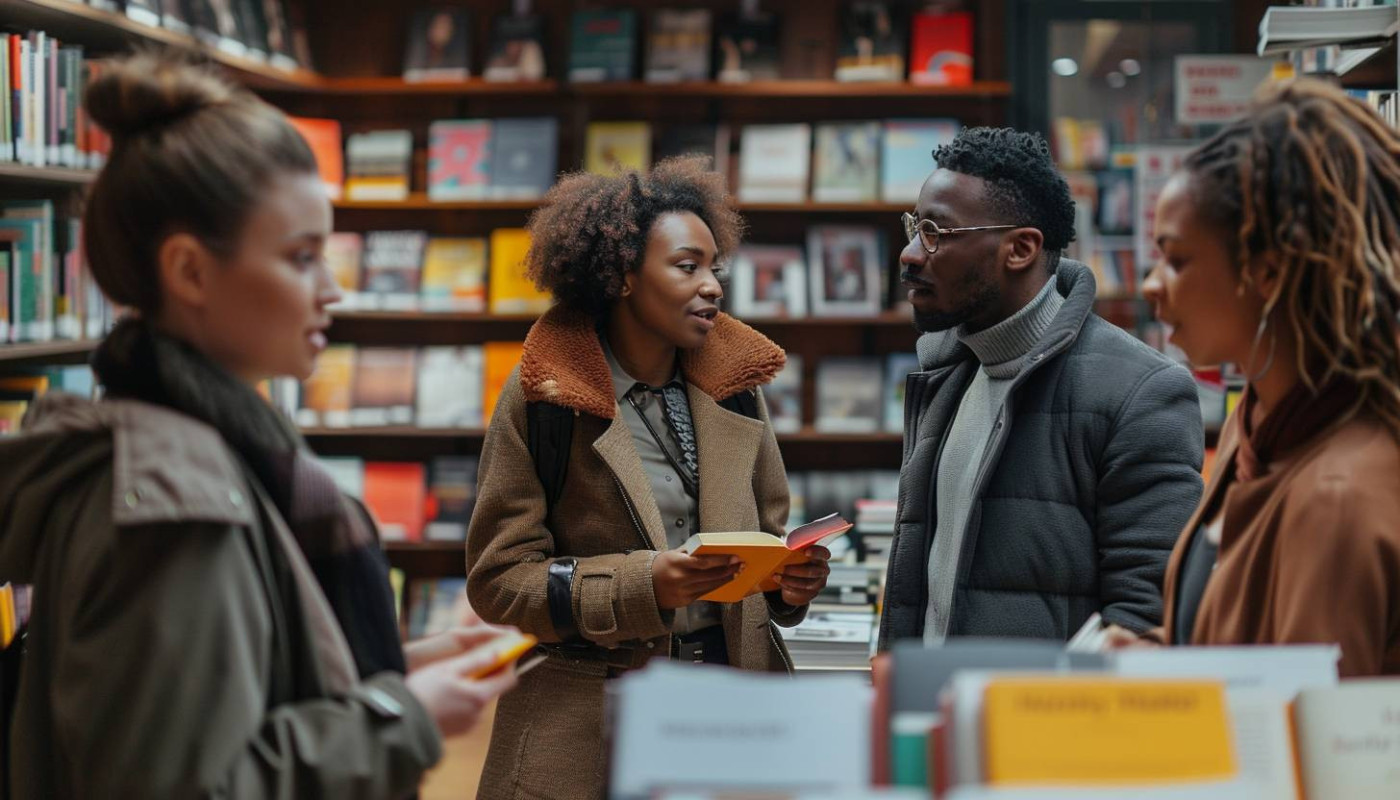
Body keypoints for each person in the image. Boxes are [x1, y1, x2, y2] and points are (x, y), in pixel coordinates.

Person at [0, 54, 516, 798]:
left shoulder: (209, 443)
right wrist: (402, 715)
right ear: (190, 272)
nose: (333, 290)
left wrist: (401, 669)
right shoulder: (178, 501)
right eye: (302, 257)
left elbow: (226, 696)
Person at [466, 156, 832, 800]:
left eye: (715, 267)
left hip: (732, 708)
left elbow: (767, 538)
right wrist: (644, 584)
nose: (713, 286)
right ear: (624, 276)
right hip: (593, 723)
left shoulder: (736, 390)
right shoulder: (547, 399)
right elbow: (499, 581)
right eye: (687, 267)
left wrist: (788, 585)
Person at [877, 127, 1204, 648]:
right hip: (933, 716)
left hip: (1047, 724)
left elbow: (1147, 622)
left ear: (1020, 249)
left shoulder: (1141, 394)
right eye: (916, 227)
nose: (911, 254)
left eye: (937, 232)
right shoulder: (948, 373)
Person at [1139, 79, 1400, 676]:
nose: (1153, 284)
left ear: (1267, 272)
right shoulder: (1252, 427)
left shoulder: (1340, 496)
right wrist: (1155, 660)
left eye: (1177, 260)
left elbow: (1306, 750)